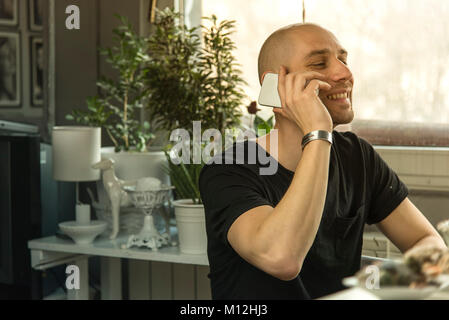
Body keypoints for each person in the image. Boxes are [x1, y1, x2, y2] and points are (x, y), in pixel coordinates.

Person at [198, 23, 447, 300]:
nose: (345, 73)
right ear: (275, 86)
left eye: (344, 60)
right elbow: (282, 259)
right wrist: (317, 133)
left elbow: (427, 242)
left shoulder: (358, 157)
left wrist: (382, 289)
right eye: (319, 63)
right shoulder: (229, 170)